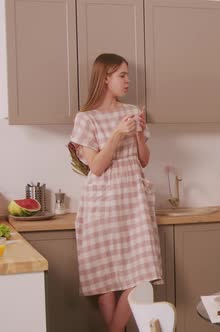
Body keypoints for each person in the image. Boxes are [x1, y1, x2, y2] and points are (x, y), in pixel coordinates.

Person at [70, 53, 162, 332]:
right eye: (122, 75)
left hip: (133, 199)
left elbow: (143, 160)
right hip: (102, 203)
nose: (127, 80)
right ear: (105, 78)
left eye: (127, 75)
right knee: (105, 283)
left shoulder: (132, 110)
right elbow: (96, 167)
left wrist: (137, 135)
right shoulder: (86, 119)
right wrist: (118, 134)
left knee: (141, 275)